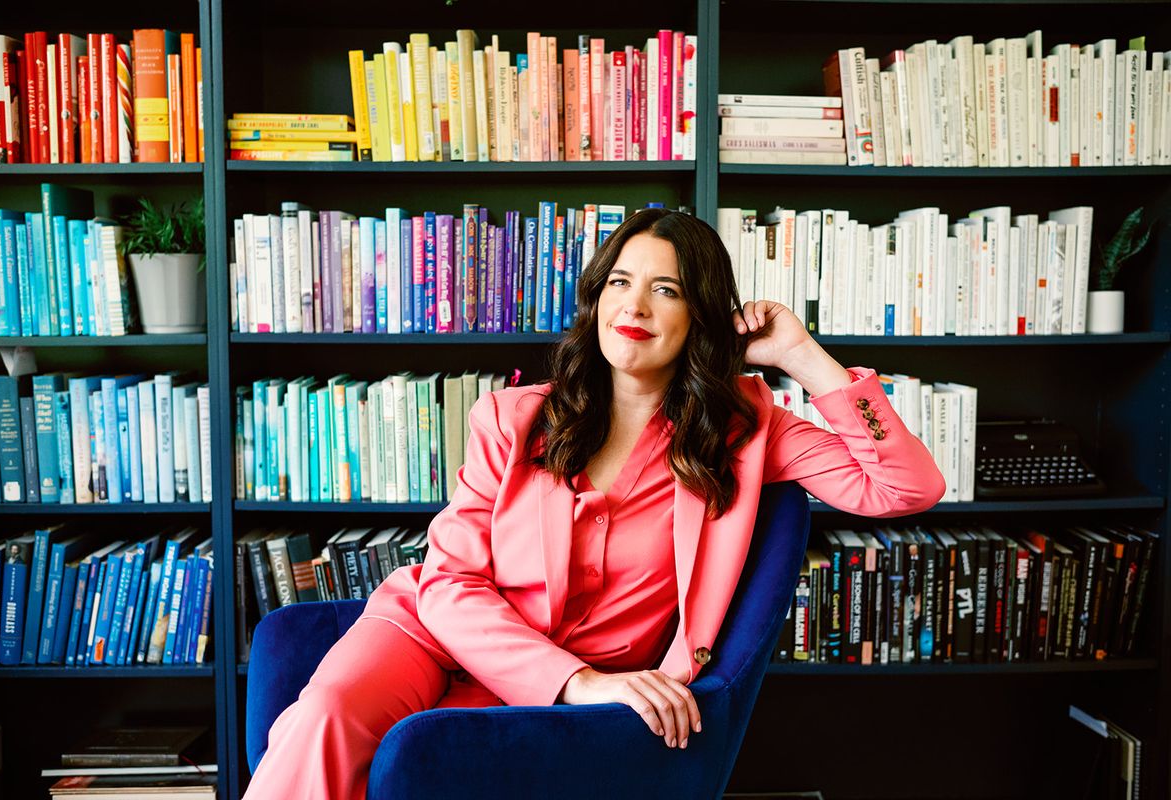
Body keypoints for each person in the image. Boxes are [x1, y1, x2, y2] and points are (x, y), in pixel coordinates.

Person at [244, 208, 945, 799]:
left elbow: (905, 487)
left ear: (701, 315)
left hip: (577, 685)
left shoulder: (744, 431)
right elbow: (449, 583)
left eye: (666, 290)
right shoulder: (512, 418)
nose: (635, 307)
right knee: (325, 716)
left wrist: (802, 356)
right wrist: (575, 682)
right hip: (432, 635)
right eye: (620, 282)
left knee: (417, 761)